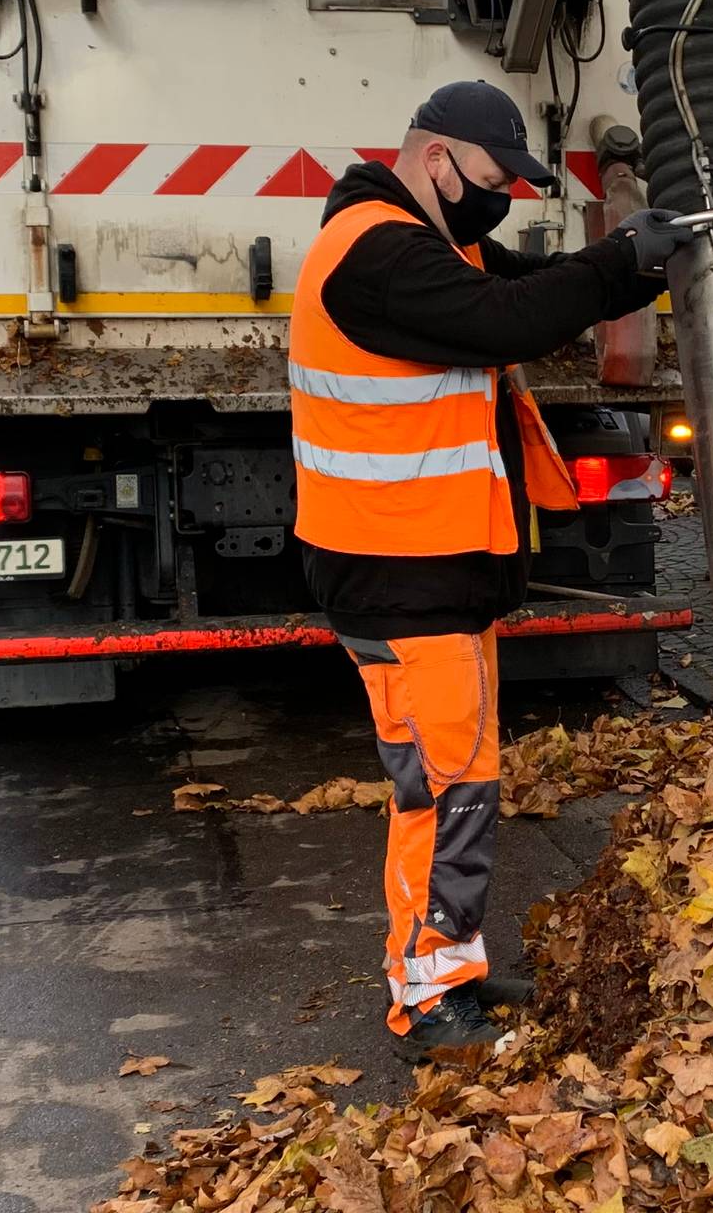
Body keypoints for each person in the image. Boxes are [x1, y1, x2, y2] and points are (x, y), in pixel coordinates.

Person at [289, 80, 688, 1058]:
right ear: (435, 161)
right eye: (492, 176)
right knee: (443, 787)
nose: (501, 195)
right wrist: (620, 258)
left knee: (454, 780)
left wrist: (639, 265)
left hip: (427, 567)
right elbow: (507, 321)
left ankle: (450, 963)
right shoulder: (375, 254)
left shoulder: (429, 242)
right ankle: (426, 1003)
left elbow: (533, 289)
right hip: (398, 569)